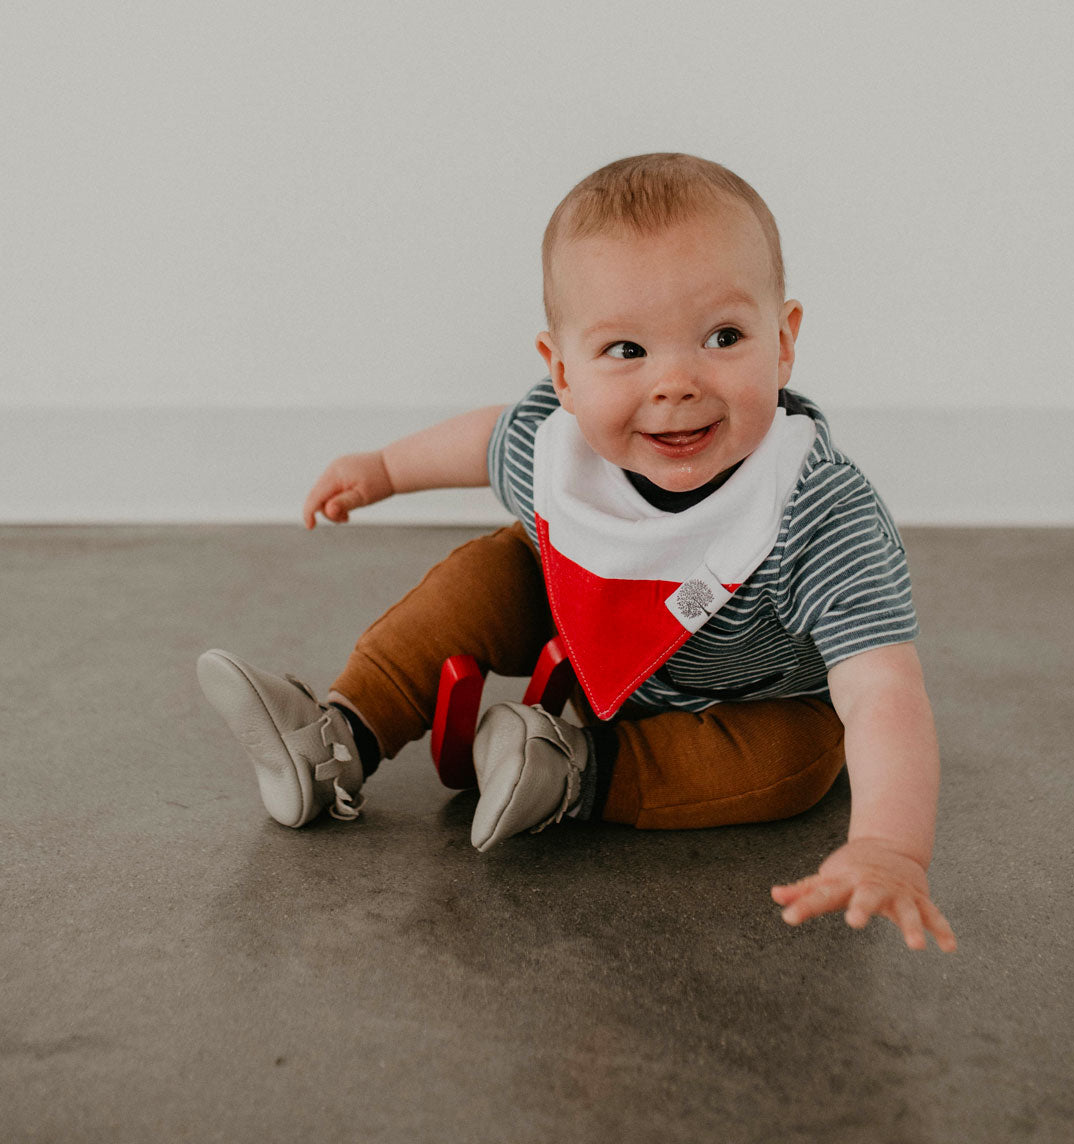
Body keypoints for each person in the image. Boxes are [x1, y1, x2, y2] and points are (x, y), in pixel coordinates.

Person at [197, 153, 957, 953]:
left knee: (799, 760)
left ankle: (570, 768)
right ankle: (338, 734)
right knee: (491, 571)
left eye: (723, 337)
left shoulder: (817, 510)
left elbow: (883, 694)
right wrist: (385, 470)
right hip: (582, 619)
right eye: (626, 350)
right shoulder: (554, 446)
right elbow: (486, 436)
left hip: (745, 701)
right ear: (561, 371)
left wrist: (890, 844)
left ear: (785, 341)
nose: (675, 381)